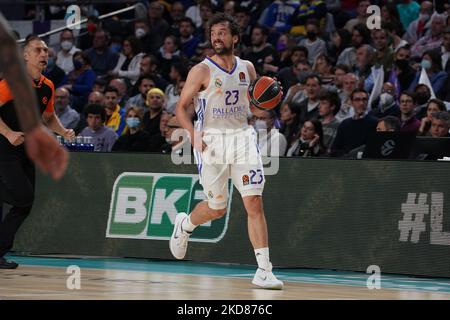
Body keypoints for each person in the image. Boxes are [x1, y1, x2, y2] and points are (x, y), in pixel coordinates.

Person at [170, 13, 284, 289]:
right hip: (212, 142)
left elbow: (253, 108)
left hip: (243, 139)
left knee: (254, 201)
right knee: (217, 208)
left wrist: (267, 104)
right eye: (213, 33)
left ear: (235, 37)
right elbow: (181, 107)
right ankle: (185, 225)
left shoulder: (248, 68)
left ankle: (264, 270)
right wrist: (193, 134)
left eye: (222, 33)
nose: (216, 37)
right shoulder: (201, 70)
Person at [0, 30, 74, 269]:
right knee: (23, 195)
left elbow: (49, 117)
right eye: (37, 50)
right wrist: (9, 133)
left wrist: (63, 131)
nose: (44, 53)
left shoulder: (48, 86)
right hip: (4, 144)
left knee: (25, 203)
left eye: (45, 50)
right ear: (24, 56)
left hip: (25, 148)